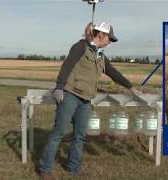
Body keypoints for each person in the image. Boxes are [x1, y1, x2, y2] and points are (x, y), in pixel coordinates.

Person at [39, 22, 140, 179]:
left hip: (86, 100)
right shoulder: (81, 47)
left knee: (79, 136)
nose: (110, 42)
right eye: (110, 39)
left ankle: (74, 168)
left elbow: (113, 72)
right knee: (59, 132)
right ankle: (45, 168)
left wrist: (130, 87)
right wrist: (59, 87)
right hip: (70, 95)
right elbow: (67, 65)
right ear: (101, 35)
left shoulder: (101, 56)